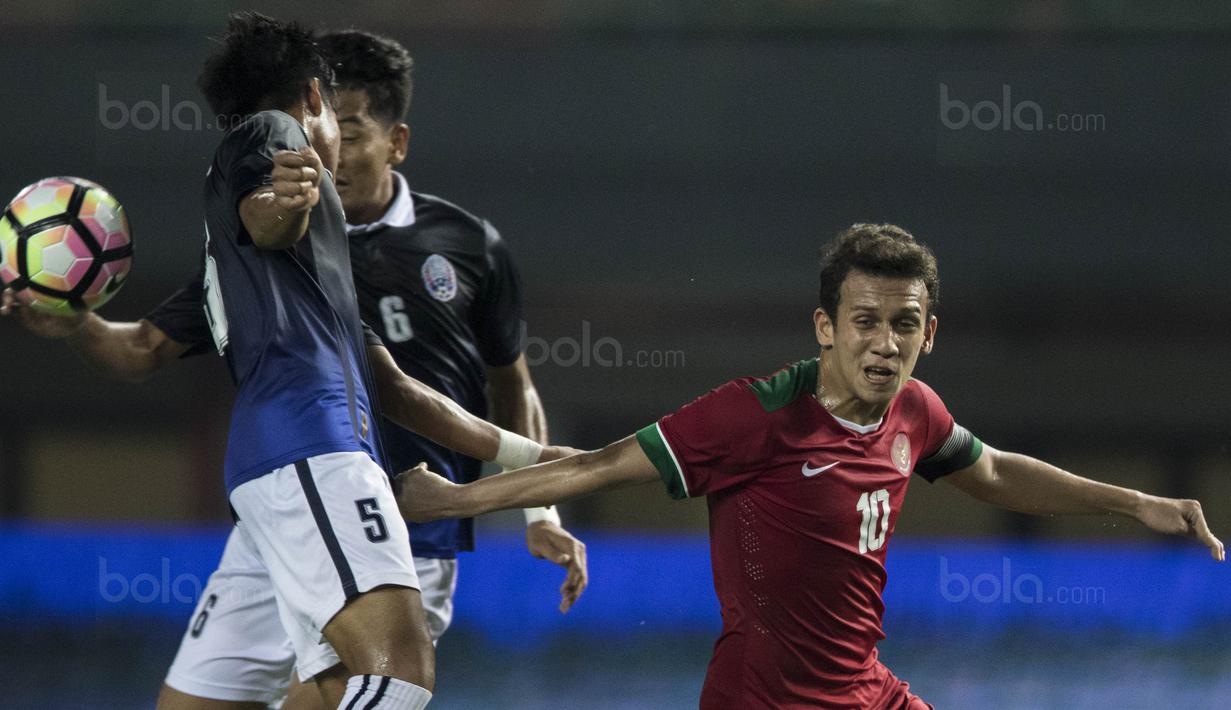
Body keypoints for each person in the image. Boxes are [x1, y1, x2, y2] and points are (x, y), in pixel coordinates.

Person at [397, 223, 1225, 709]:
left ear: (928, 333)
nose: (885, 342)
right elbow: (595, 467)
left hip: (867, 690)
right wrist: (452, 498)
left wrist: (1137, 503)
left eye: (904, 324)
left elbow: (1000, 473)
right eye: (865, 321)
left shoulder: (915, 411)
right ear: (824, 327)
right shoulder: (750, 417)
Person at [1, 21, 586, 710]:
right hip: (324, 468)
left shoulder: (406, 252)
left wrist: (535, 467)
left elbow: (400, 388)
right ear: (313, 98)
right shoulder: (277, 144)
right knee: (394, 676)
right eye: (330, 117)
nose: (335, 144)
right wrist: (287, 201)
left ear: (396, 142)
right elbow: (264, 210)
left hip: (295, 493)